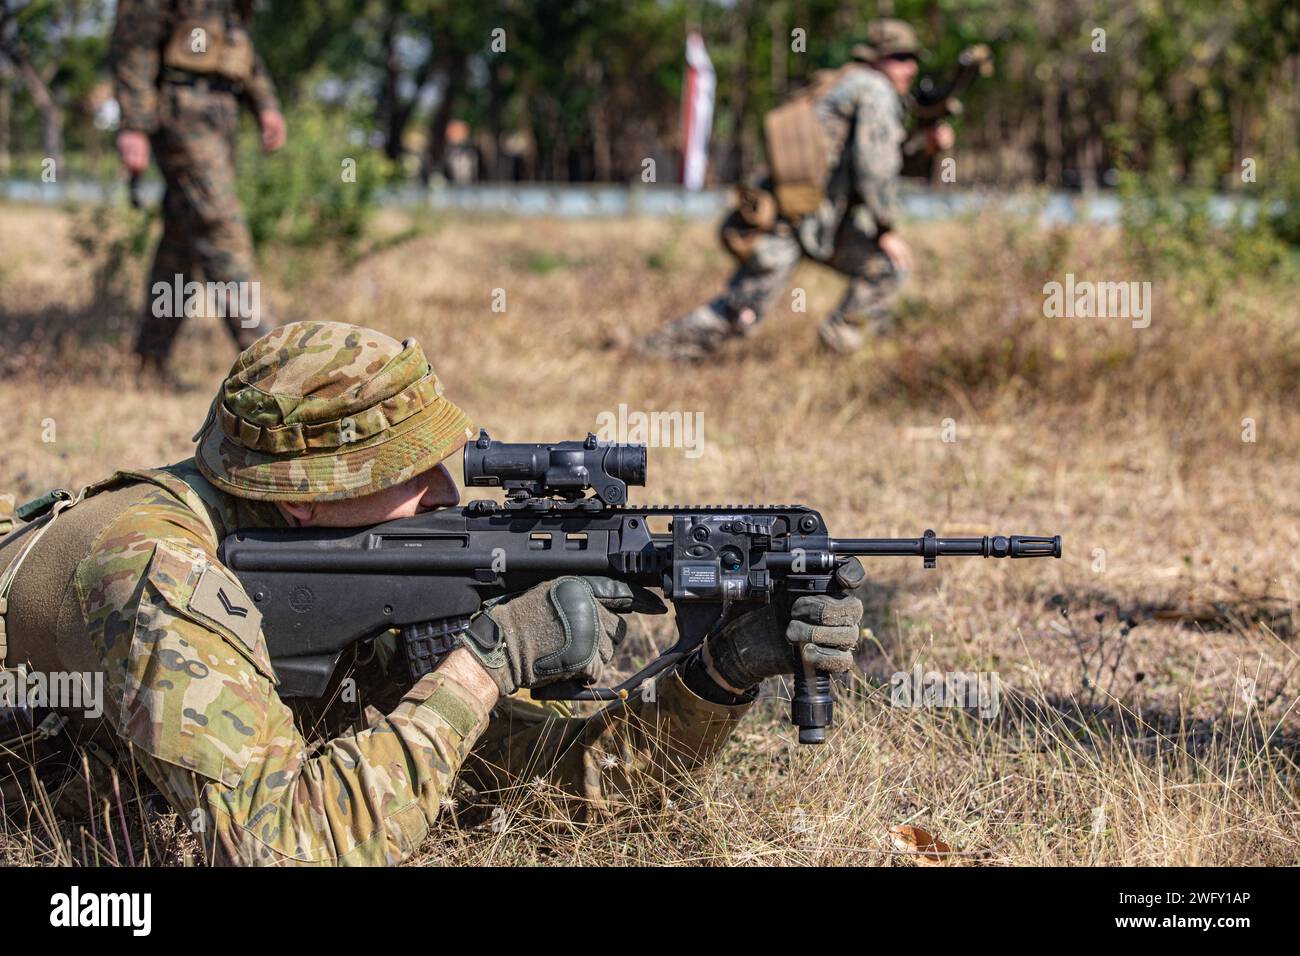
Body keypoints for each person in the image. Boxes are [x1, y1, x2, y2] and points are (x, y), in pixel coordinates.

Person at [0, 321, 864, 865]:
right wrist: (485, 665)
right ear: (307, 491)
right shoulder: (156, 575)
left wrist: (714, 678)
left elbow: (532, 791)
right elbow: (285, 846)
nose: (450, 494)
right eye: (411, 472)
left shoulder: (313, 548)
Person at [641, 19, 954, 358]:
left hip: (815, 219)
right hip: (789, 221)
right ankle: (652, 353)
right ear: (875, 58)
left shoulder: (843, 83)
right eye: (900, 57)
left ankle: (836, 354)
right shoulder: (874, 90)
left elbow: (868, 159)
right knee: (739, 312)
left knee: (886, 268)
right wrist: (884, 228)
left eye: (912, 58)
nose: (910, 67)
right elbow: (874, 167)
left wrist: (925, 146)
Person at [110, 0, 286, 384]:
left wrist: (265, 104)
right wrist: (134, 124)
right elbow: (134, 39)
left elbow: (238, 40)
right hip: (180, 106)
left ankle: (149, 363)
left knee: (181, 243)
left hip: (223, 106)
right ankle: (272, 369)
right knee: (219, 225)